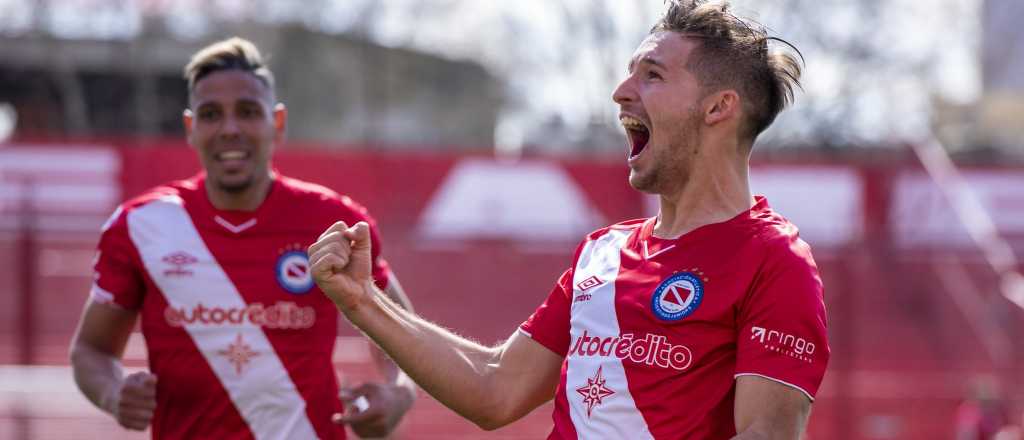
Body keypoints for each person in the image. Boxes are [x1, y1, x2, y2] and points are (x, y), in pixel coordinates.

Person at [308, 1, 829, 438]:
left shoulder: (774, 261)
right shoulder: (602, 252)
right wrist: (362, 302)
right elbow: (495, 387)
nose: (621, 91)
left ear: (718, 108)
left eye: (652, 75)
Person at [69, 37, 416, 439]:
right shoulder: (138, 226)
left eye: (248, 112)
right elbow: (90, 351)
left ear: (278, 123)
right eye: (211, 114)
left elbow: (408, 339)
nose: (230, 129)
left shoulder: (336, 223)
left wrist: (398, 395)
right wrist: (114, 394)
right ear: (191, 128)